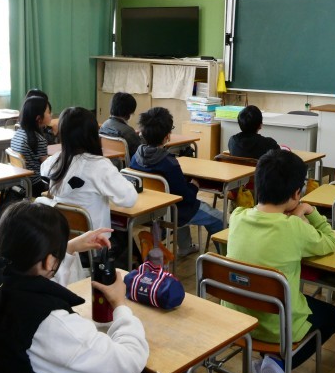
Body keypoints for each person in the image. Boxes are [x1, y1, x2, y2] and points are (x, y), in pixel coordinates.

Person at [0, 200, 148, 373]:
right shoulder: (51, 324)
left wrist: (68, 248)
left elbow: (38, 283)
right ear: (49, 261)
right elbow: (131, 361)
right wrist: (120, 304)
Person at [225, 149, 335, 373]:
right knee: (332, 315)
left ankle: (269, 361)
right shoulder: (294, 228)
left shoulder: (237, 216)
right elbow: (331, 241)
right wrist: (308, 211)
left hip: (237, 317)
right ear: (296, 193)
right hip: (277, 329)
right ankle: (278, 362)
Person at [129, 107, 224, 256]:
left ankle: (185, 247)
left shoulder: (136, 156)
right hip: (176, 212)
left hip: (151, 209)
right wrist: (194, 186)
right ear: (167, 136)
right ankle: (224, 260)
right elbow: (185, 198)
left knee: (174, 200)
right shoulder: (169, 163)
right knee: (220, 219)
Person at [41, 106, 137, 232]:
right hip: (95, 240)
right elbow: (129, 199)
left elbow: (44, 173)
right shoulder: (100, 166)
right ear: (93, 134)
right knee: (125, 236)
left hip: (64, 237)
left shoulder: (53, 161)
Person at [11, 96, 52, 197]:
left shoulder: (18, 134)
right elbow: (47, 168)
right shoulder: (39, 140)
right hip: (35, 186)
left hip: (20, 183)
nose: (51, 115)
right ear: (38, 118)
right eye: (48, 112)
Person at [99, 92, 142, 158]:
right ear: (129, 113)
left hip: (108, 161)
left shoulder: (104, 125)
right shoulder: (128, 132)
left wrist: (133, 134)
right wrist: (140, 137)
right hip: (127, 164)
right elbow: (140, 154)